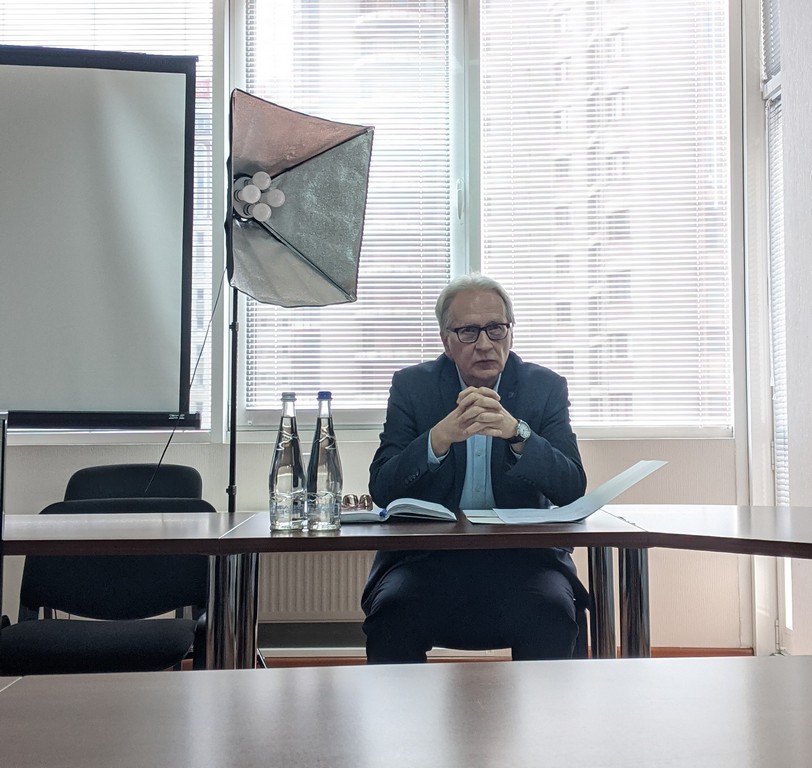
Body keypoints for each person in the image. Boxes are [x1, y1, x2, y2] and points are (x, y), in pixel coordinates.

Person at [361, 273, 588, 663]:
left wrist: (518, 433)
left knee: (552, 615)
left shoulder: (544, 387)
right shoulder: (413, 387)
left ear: (510, 332)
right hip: (426, 561)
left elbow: (571, 488)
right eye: (468, 331)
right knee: (393, 616)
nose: (485, 344)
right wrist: (437, 439)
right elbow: (383, 487)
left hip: (525, 561)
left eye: (496, 328)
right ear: (446, 341)